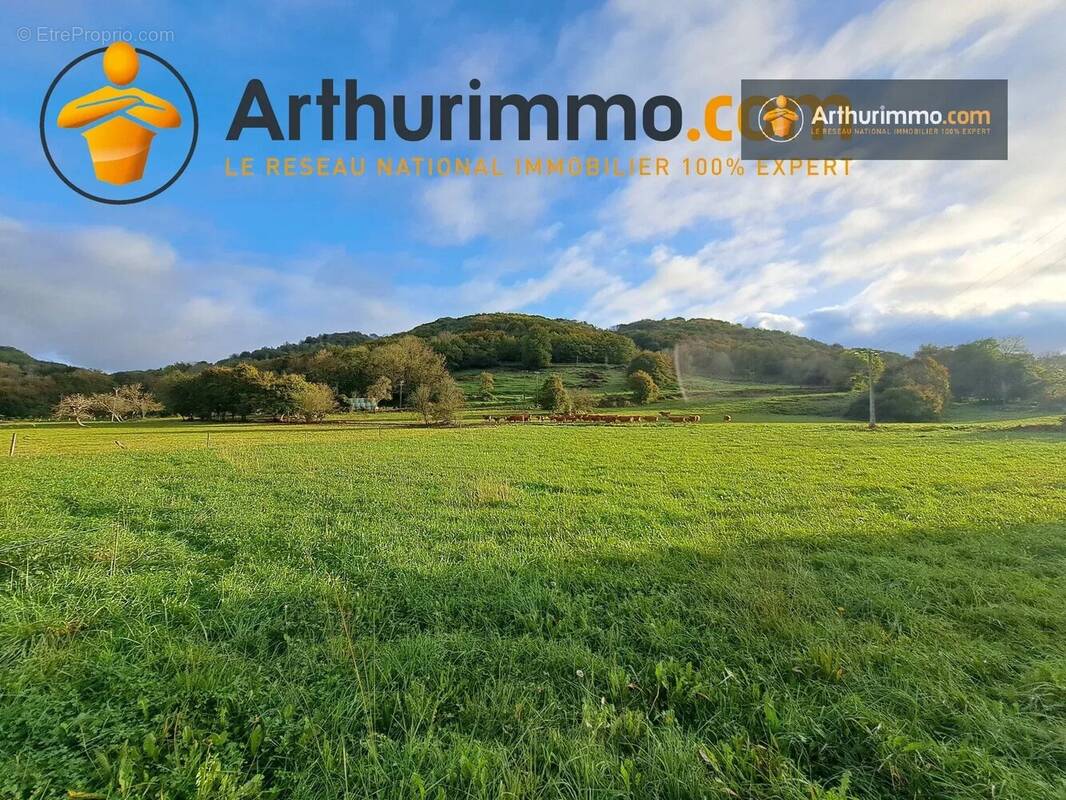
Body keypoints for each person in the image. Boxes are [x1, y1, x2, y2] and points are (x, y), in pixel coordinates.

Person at [57, 42, 181, 185]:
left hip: (134, 167)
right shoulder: (110, 95)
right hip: (102, 164)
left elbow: (173, 118)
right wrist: (127, 101)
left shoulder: (140, 95)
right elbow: (64, 118)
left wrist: (130, 101)